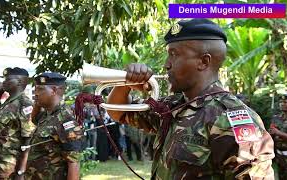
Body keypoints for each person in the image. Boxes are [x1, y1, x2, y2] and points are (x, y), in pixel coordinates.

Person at [107, 19, 275, 179]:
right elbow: (119, 113)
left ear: (203, 61)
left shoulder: (231, 119)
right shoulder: (172, 107)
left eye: (174, 54)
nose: (166, 64)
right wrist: (125, 83)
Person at [25, 72, 83, 180]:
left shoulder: (66, 120)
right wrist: (38, 102)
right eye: (35, 90)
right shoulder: (46, 115)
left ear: (54, 91)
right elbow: (33, 119)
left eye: (40, 89)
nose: (36, 93)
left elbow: (73, 163)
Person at [0, 67, 35, 179]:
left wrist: (21, 172)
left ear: (20, 82)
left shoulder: (25, 104)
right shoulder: (8, 102)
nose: (4, 82)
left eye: (8, 80)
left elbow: (28, 140)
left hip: (9, 167)